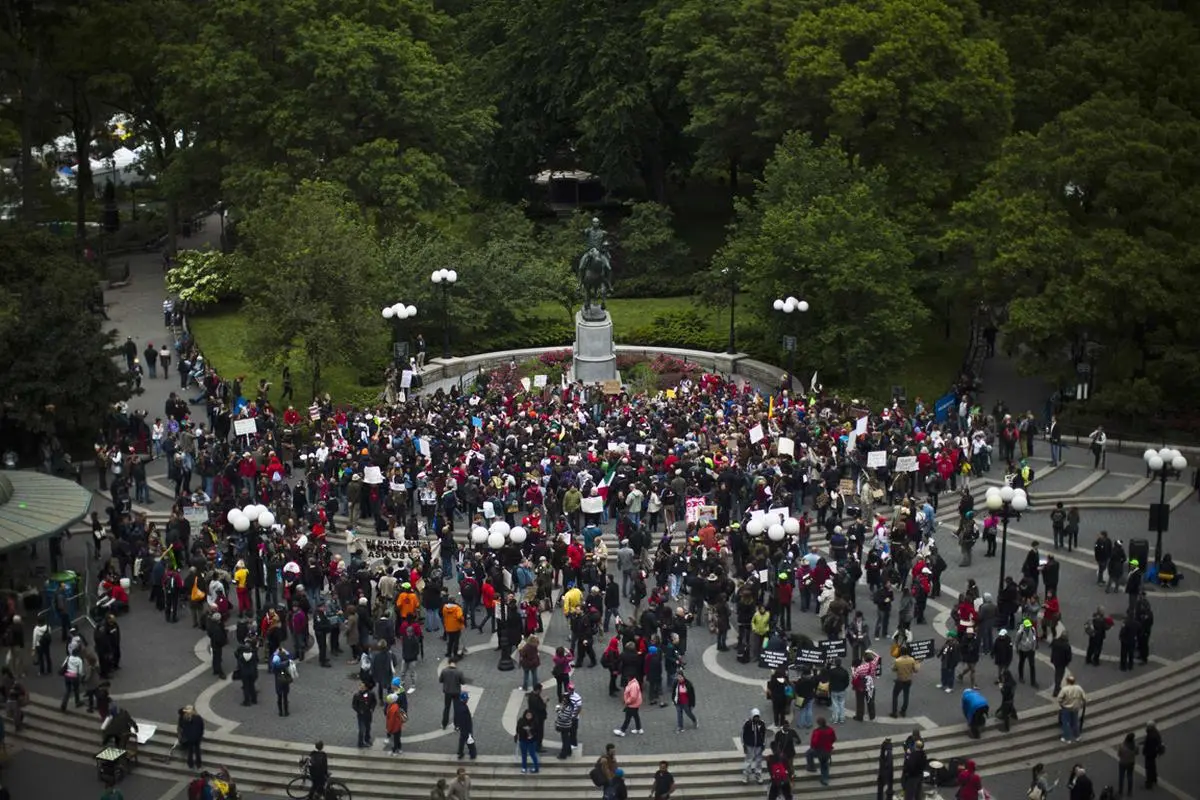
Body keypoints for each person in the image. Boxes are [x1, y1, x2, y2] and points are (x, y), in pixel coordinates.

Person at [805, 716, 836, 786]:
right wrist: (829, 744)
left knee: (808, 753)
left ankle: (811, 767)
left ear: (818, 723)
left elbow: (814, 742)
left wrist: (813, 747)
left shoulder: (817, 731)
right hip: (827, 750)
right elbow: (834, 738)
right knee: (824, 764)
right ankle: (825, 779)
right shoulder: (830, 729)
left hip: (818, 750)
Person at [890, 646, 919, 717]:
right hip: (908, 680)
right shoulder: (911, 660)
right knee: (906, 695)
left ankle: (894, 712)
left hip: (900, 680)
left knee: (895, 696)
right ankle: (903, 711)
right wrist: (918, 663)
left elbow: (893, 669)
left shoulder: (898, 661)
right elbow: (916, 670)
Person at [742, 707, 768, 784]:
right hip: (749, 745)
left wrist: (764, 744)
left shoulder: (762, 723)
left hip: (759, 745)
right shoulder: (747, 724)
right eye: (755, 717)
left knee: (759, 760)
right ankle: (746, 774)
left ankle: (758, 774)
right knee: (748, 760)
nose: (756, 719)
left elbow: (764, 735)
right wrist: (744, 744)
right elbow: (743, 734)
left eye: (757, 717)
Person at [1058, 676, 1086, 743]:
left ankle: (1067, 738)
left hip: (1066, 708)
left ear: (1067, 681)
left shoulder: (1065, 689)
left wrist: (1062, 704)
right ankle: (1077, 736)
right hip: (1076, 707)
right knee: (1075, 722)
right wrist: (1081, 704)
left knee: (1066, 722)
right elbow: (1084, 697)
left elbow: (1059, 698)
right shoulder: (1078, 688)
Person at [177, 704, 205, 770]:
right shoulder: (198, 718)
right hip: (197, 737)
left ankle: (190, 764)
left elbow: (183, 727)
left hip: (189, 738)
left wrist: (186, 736)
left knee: (190, 751)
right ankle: (198, 764)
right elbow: (201, 727)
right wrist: (200, 735)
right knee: (197, 750)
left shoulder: (185, 719)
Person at [440, 660, 466, 728]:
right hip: (456, 692)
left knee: (446, 708)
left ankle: (444, 724)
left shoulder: (444, 671)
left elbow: (440, 680)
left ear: (449, 663)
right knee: (456, 708)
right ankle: (457, 725)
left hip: (447, 692)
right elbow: (463, 682)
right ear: (456, 663)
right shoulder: (459, 672)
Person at [352, 680, 376, 748]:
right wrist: (359, 710)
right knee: (361, 730)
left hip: (368, 714)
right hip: (361, 715)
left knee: (368, 728)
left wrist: (372, 708)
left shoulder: (371, 694)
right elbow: (354, 705)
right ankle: (360, 743)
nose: (361, 688)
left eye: (362, 687)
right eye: (360, 686)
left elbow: (374, 702)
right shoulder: (357, 695)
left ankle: (367, 739)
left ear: (366, 688)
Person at [454, 691, 477, 760]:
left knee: (462, 740)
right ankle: (473, 754)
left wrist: (457, 725)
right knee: (470, 740)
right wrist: (469, 730)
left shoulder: (458, 705)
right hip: (466, 728)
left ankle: (460, 753)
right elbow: (466, 720)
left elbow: (456, 716)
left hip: (461, 727)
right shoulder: (464, 708)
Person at [516, 709, 539, 774]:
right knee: (524, 754)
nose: (528, 716)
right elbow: (518, 730)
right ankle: (524, 768)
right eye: (527, 715)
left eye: (530, 715)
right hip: (523, 740)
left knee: (532, 754)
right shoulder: (521, 721)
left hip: (532, 741)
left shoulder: (534, 722)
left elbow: (537, 731)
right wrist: (524, 730)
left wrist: (531, 731)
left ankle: (536, 768)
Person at [1143, 721, 1164, 788]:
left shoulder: (1151, 735)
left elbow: (1149, 745)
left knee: (1149, 768)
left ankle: (1149, 784)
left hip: (1149, 753)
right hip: (1153, 753)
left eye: (1147, 726)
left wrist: (1145, 750)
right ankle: (1154, 779)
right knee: (1153, 766)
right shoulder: (1155, 732)